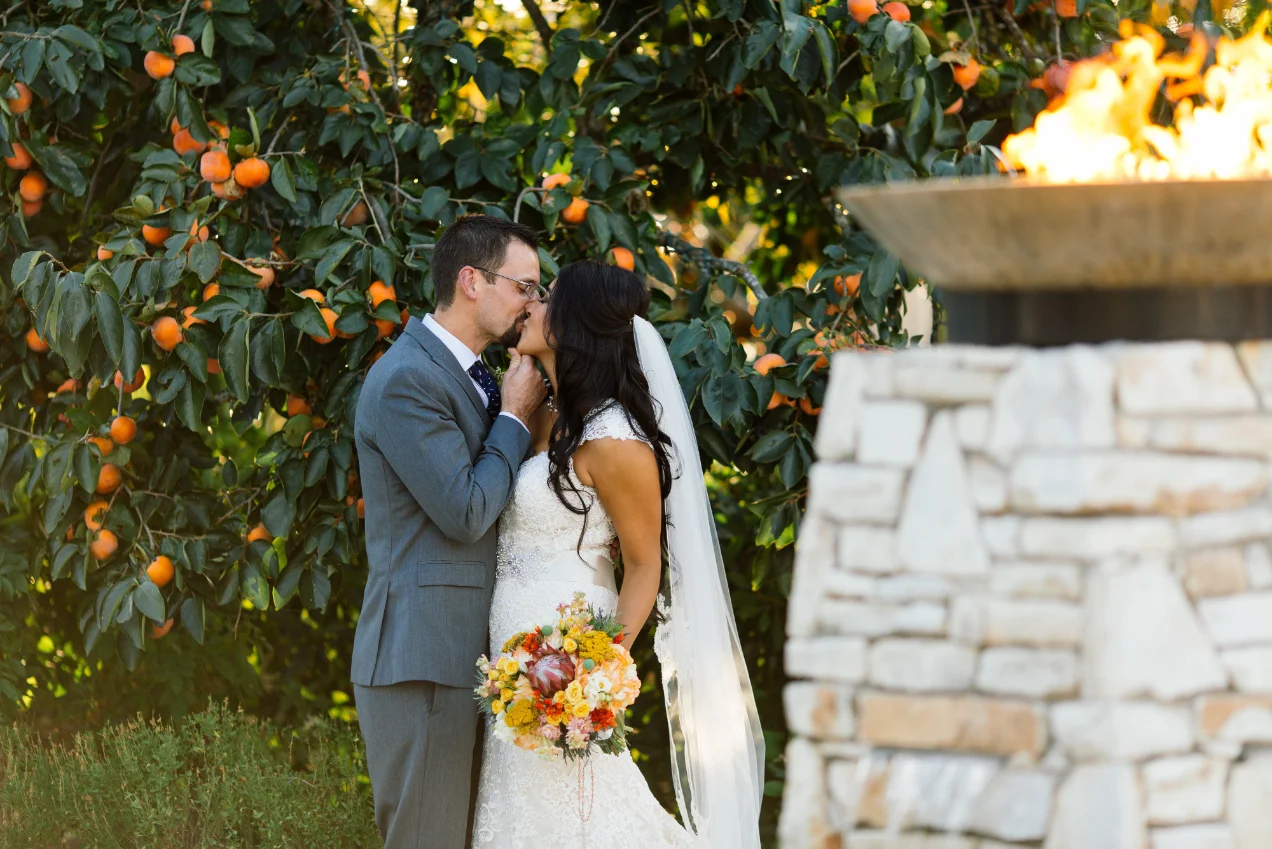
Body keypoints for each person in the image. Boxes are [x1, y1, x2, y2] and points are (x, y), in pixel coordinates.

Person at [471, 261, 765, 848]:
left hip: (562, 676)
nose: (531, 304)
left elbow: (645, 566)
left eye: (546, 298)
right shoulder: (540, 416)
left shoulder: (614, 439)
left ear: (576, 325)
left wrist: (591, 677)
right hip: (508, 665)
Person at [351, 214, 547, 849]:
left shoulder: (473, 372)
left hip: (463, 655)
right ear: (472, 280)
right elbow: (465, 511)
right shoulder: (409, 379)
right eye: (524, 287)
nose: (532, 303)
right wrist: (515, 417)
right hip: (423, 658)